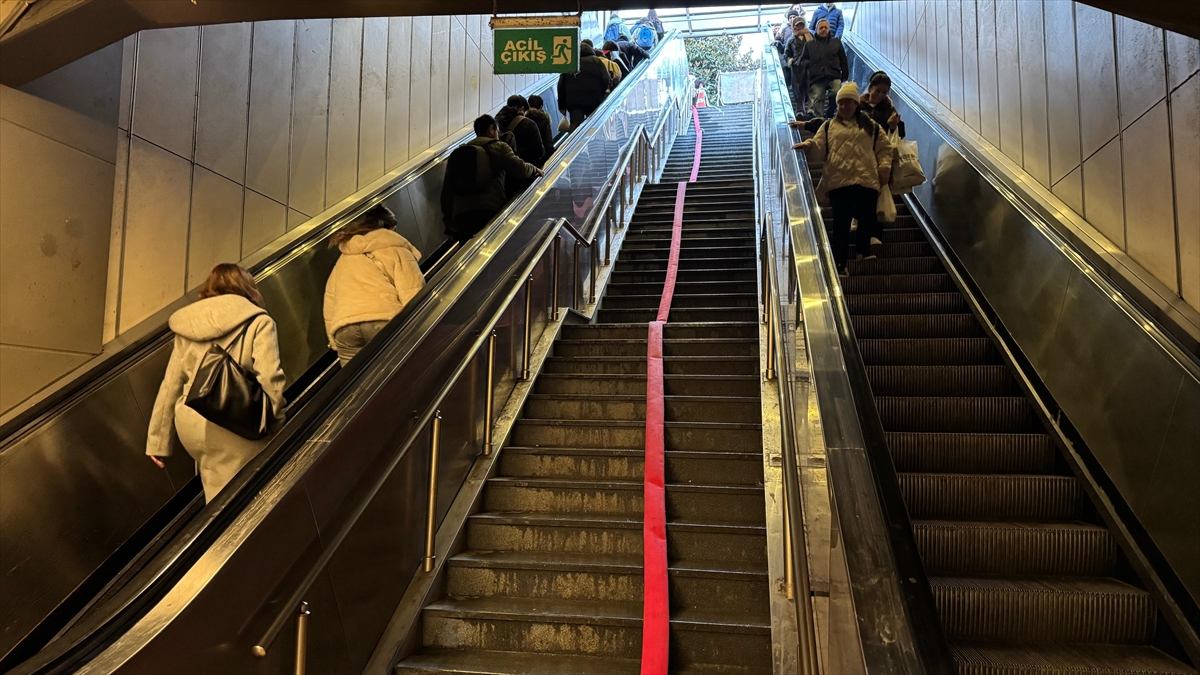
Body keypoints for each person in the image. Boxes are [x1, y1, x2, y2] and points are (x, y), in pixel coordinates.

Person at [146, 264, 287, 502]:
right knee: (254, 496)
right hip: (233, 421)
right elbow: (270, 378)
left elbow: (171, 384)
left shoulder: (187, 325)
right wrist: (276, 423)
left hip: (192, 423)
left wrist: (157, 442)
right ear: (247, 288)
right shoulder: (259, 322)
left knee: (218, 492)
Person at [793, 82, 892, 273]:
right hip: (839, 182)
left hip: (866, 180)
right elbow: (819, 146)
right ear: (837, 105)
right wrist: (808, 145)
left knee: (866, 218)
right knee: (841, 223)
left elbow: (885, 149)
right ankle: (840, 263)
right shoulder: (829, 126)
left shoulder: (871, 126)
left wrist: (885, 167)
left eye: (849, 103)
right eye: (841, 103)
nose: (845, 107)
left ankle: (862, 251)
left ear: (856, 104)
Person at [323, 205, 425, 366]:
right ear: (388, 228)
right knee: (400, 372)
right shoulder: (396, 249)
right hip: (382, 319)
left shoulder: (344, 259)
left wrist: (334, 341)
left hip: (344, 328)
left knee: (356, 383)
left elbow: (330, 300)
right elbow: (412, 290)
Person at [441, 114, 543, 242]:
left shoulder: (458, 153)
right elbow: (520, 169)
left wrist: (448, 223)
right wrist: (535, 169)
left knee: (467, 255)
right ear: (490, 129)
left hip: (462, 213)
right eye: (497, 130)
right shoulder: (498, 147)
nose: (498, 134)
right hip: (489, 209)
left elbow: (447, 190)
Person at [798, 18, 847, 118]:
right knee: (818, 100)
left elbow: (843, 59)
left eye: (826, 27)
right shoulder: (809, 45)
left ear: (829, 29)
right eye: (821, 28)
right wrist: (809, 64)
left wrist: (845, 75)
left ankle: (829, 113)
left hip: (833, 75)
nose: (824, 29)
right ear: (816, 29)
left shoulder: (836, 42)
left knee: (836, 93)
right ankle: (819, 121)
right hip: (816, 77)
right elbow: (802, 60)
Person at [557, 43, 611, 130]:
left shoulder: (571, 63)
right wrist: (601, 94)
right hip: (593, 99)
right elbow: (606, 78)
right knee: (594, 124)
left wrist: (561, 106)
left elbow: (561, 85)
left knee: (575, 125)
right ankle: (594, 140)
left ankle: (574, 142)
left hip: (574, 102)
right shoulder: (597, 61)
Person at [495, 94, 545, 167]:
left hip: (505, 169)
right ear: (522, 109)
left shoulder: (497, 123)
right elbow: (539, 152)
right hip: (525, 168)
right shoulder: (528, 124)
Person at [858, 71, 905, 138]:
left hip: (880, 147)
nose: (880, 95)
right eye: (877, 91)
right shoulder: (858, 106)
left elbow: (901, 136)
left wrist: (893, 127)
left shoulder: (889, 109)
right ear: (870, 88)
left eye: (884, 92)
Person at [784, 15, 813, 116]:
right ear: (794, 26)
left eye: (801, 24)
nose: (800, 26)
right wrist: (789, 60)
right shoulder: (791, 40)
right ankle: (800, 109)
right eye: (797, 24)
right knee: (798, 89)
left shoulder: (811, 36)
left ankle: (811, 108)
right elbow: (786, 53)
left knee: (810, 86)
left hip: (809, 65)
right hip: (796, 67)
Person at [525, 95, 555, 167]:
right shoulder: (544, 119)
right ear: (541, 106)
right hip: (543, 156)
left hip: (529, 159)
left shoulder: (524, 120)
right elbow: (548, 141)